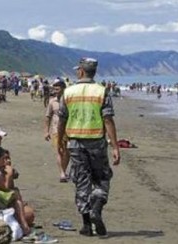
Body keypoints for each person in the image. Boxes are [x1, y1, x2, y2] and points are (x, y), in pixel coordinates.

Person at [57, 57, 120, 237]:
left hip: (75, 143)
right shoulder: (102, 91)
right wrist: (115, 146)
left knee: (82, 181)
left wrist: (61, 141)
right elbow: (108, 119)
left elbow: (61, 119)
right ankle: (97, 208)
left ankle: (86, 225)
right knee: (102, 178)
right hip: (96, 142)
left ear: (81, 71)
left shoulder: (68, 92)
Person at [44, 79, 69, 182]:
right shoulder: (52, 102)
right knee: (59, 151)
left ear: (63, 88)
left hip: (68, 129)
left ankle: (64, 170)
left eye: (58, 88)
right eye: (54, 88)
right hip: (56, 129)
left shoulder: (68, 101)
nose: (56, 90)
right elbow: (47, 117)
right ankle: (62, 173)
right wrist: (46, 131)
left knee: (67, 151)